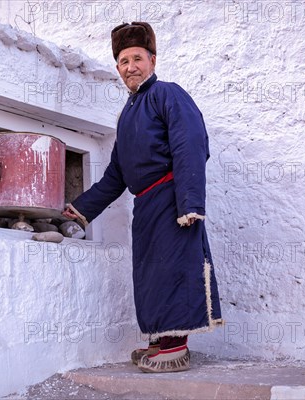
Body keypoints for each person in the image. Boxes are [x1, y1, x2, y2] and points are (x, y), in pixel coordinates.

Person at [62, 21, 223, 373]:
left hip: (172, 199)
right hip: (146, 205)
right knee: (149, 274)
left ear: (152, 59)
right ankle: (159, 339)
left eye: (137, 58)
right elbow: (116, 174)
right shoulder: (127, 115)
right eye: (123, 61)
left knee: (174, 270)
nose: (130, 67)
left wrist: (190, 203)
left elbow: (189, 144)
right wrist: (80, 208)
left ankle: (176, 345)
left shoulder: (169, 94)